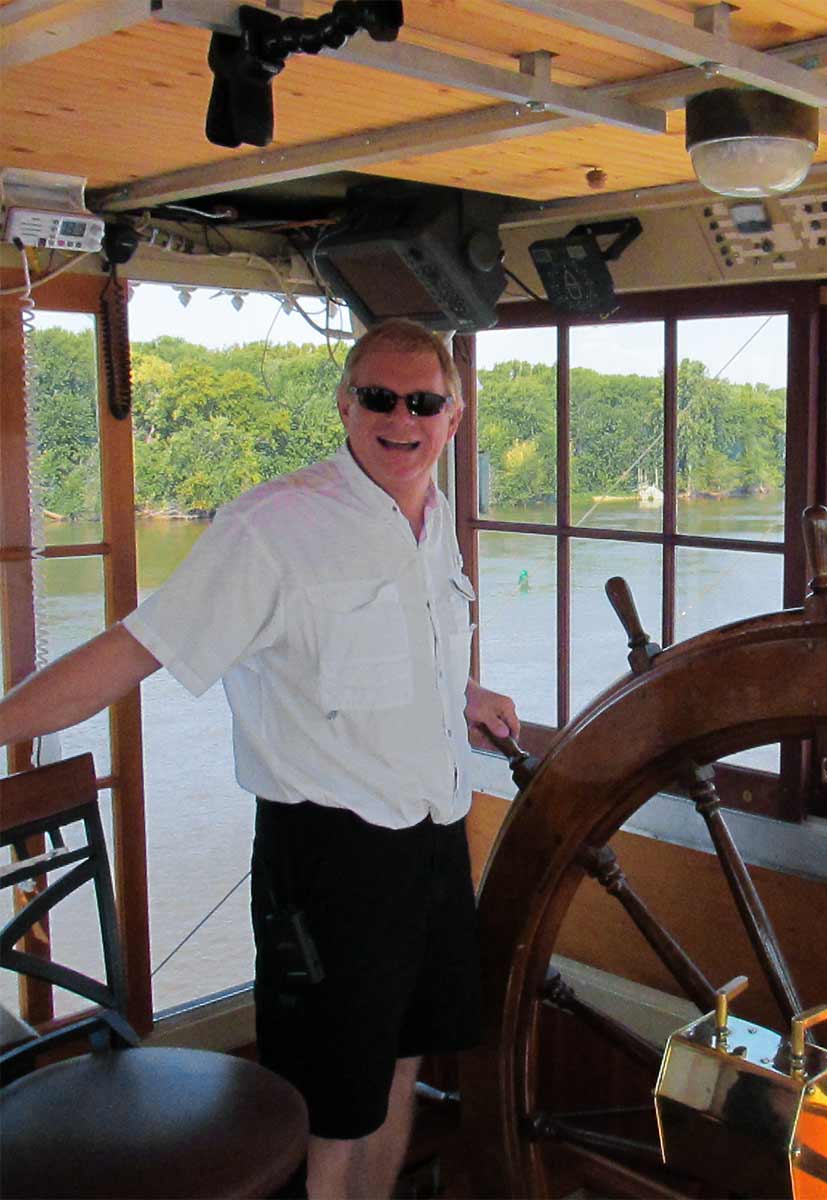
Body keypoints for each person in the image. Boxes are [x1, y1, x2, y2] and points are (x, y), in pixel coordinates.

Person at [0, 318, 519, 1199]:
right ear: (345, 405)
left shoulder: (432, 521)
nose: (402, 419)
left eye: (423, 401)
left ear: (454, 415)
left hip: (432, 841)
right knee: (328, 1106)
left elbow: (391, 652)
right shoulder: (272, 529)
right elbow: (134, 651)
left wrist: (459, 699)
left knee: (399, 1066)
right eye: (379, 399)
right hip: (327, 861)